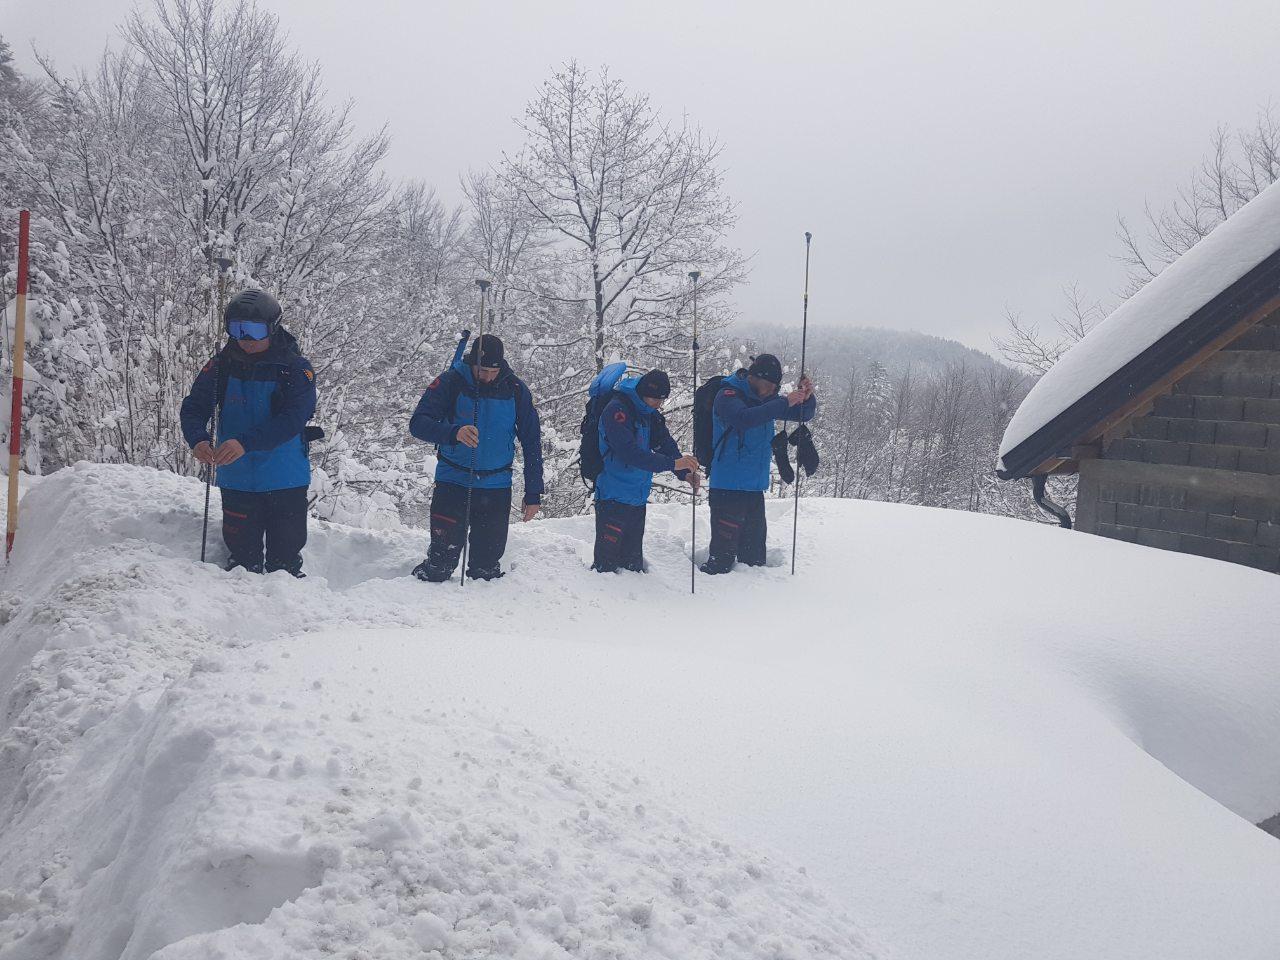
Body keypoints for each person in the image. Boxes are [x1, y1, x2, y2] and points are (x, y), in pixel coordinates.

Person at [180, 289, 317, 577]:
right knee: (241, 565)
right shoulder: (221, 365)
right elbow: (194, 406)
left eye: (254, 330)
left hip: (285, 478)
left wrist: (245, 442)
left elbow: (293, 419)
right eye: (237, 329)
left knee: (285, 566)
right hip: (237, 478)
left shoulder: (295, 368)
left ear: (273, 327)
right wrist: (198, 439)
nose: (245, 339)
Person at [408, 334, 543, 582]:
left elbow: (532, 441)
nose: (488, 377)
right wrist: (453, 432)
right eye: (482, 370)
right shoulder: (450, 382)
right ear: (472, 363)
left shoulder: (515, 390)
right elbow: (418, 424)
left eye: (493, 371)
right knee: (440, 565)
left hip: (496, 487)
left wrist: (533, 492)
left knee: (486, 571)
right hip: (453, 483)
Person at [700, 353, 816, 574]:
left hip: (754, 489)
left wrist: (807, 397)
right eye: (769, 385)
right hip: (727, 488)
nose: (773, 391)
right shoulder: (727, 394)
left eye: (776, 387)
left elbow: (804, 414)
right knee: (721, 560)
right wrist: (784, 401)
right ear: (754, 378)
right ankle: (711, 601)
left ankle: (754, 604)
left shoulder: (769, 401)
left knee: (753, 561)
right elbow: (744, 419)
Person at [593, 369, 700, 573]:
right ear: (642, 393)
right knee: (606, 569)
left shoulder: (649, 414)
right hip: (612, 497)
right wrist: (673, 464)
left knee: (632, 567)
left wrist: (684, 472)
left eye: (662, 400)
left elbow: (665, 444)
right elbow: (630, 453)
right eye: (655, 399)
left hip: (637, 498)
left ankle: (634, 604)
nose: (658, 405)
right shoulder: (617, 410)